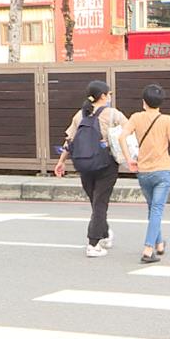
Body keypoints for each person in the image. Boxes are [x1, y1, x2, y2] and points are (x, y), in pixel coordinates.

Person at [54, 80, 127, 257]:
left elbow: (69, 140)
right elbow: (129, 131)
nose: (110, 97)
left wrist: (61, 161)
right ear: (103, 96)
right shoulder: (112, 114)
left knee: (96, 202)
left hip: (84, 163)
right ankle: (93, 244)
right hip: (106, 163)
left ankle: (104, 231)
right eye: (109, 94)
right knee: (100, 202)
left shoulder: (80, 115)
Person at [117, 84, 170, 263]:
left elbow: (121, 137)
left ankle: (160, 244)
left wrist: (128, 159)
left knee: (152, 208)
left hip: (143, 171)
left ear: (144, 102)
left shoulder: (136, 118)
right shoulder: (167, 120)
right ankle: (148, 249)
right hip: (162, 170)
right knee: (156, 209)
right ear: (160, 103)